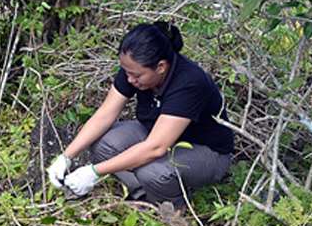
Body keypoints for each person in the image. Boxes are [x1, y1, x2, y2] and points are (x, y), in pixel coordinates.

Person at [47, 22, 234, 208]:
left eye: (136, 75)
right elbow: (104, 115)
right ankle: (142, 197)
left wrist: (94, 172)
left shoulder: (189, 82)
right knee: (103, 144)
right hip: (156, 133)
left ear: (161, 67)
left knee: (152, 171)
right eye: (126, 72)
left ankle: (173, 212)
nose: (130, 80)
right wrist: (66, 157)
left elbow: (156, 148)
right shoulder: (135, 70)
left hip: (206, 151)